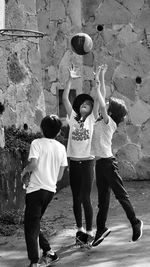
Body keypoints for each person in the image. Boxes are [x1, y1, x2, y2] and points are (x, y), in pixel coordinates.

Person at [91, 64, 143, 247]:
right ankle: (101, 230)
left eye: (108, 105)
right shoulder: (99, 119)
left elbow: (101, 99)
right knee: (102, 201)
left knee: (121, 195)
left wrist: (97, 86)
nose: (105, 103)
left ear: (111, 112)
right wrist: (101, 74)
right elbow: (101, 99)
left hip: (107, 163)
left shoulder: (108, 122)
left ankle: (135, 222)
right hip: (100, 164)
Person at [21, 114, 68, 267]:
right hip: (50, 190)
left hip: (35, 190)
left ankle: (34, 262)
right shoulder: (61, 148)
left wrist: (24, 171)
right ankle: (48, 251)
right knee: (34, 223)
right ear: (58, 132)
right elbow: (60, 176)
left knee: (31, 226)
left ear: (41, 128)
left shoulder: (37, 143)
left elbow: (33, 165)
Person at [62, 64, 98, 245]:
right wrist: (70, 79)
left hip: (88, 162)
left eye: (89, 106)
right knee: (76, 198)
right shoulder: (73, 117)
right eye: (84, 104)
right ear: (79, 107)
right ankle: (79, 230)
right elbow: (64, 98)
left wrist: (97, 82)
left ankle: (90, 231)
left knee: (85, 197)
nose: (86, 107)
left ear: (92, 110)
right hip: (74, 162)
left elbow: (98, 100)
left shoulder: (92, 119)